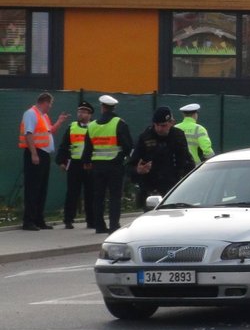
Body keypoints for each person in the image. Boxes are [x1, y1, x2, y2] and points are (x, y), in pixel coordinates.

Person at [82, 95, 133, 234]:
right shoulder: (119, 123)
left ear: (102, 107)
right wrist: (126, 157)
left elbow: (87, 147)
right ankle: (114, 225)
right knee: (115, 197)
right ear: (114, 107)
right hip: (115, 165)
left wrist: (86, 162)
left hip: (97, 167)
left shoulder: (92, 126)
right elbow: (128, 145)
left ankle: (99, 225)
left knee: (98, 196)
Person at [19, 92, 69, 231]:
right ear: (45, 102)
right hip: (35, 153)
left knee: (41, 188)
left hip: (44, 154)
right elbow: (28, 134)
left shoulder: (44, 116)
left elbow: (49, 131)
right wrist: (34, 154)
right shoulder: (31, 113)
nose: (50, 107)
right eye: (50, 104)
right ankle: (28, 221)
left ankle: (38, 219)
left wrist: (59, 121)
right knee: (33, 188)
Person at [130, 106, 196, 210]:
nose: (159, 129)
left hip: (173, 189)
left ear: (171, 122)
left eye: (163, 125)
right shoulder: (145, 137)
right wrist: (138, 170)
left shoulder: (178, 135)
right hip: (151, 190)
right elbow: (131, 165)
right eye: (157, 125)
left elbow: (186, 160)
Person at [55, 100, 96, 229]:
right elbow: (64, 145)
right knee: (72, 193)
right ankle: (68, 219)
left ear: (90, 114)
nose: (81, 114)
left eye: (84, 112)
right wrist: (62, 161)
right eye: (79, 111)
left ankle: (91, 220)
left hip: (90, 164)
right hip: (75, 164)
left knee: (91, 193)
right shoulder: (72, 127)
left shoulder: (95, 127)